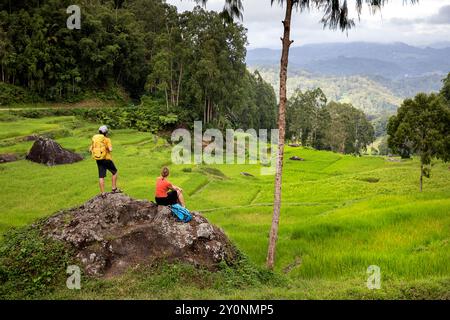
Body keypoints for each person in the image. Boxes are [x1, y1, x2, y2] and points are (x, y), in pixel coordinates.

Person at [89, 125, 121, 195]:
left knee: (101, 176)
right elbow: (110, 149)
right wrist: (106, 147)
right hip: (106, 159)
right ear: (106, 132)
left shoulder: (95, 139)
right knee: (114, 172)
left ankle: (103, 193)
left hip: (98, 159)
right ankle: (114, 188)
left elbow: (90, 149)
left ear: (99, 132)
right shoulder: (107, 139)